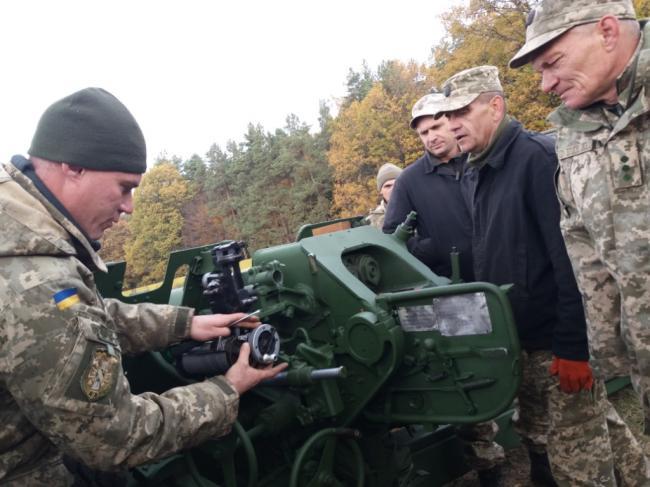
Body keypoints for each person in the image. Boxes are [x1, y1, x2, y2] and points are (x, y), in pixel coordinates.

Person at [0, 87, 287, 486]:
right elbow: (114, 438)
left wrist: (183, 325)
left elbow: (81, 317)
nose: (130, 206)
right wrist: (227, 390)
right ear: (74, 168)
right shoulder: (36, 279)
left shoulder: (20, 239)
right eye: (123, 186)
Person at [437, 65, 649, 486]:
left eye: (462, 112)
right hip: (523, 341)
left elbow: (573, 257)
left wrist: (572, 347)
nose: (452, 124)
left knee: (578, 465)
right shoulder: (475, 170)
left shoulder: (536, 159)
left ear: (495, 107)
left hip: (557, 344)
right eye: (448, 116)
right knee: (591, 430)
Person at [509, 0, 650, 438]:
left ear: (607, 31)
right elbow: (581, 242)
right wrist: (607, 354)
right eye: (539, 73)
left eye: (553, 63)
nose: (546, 84)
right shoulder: (574, 130)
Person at [384, 94, 505, 486]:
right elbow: (391, 242)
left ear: (452, 122)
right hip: (454, 293)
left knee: (530, 366)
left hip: (504, 280)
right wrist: (433, 248)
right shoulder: (411, 181)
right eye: (422, 132)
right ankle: (490, 467)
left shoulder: (482, 160)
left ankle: (538, 448)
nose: (431, 137)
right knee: (470, 378)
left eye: (436, 126)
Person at [366, 162, 402, 229]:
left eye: (397, 184)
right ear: (380, 191)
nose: (393, 189)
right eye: (388, 186)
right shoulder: (373, 220)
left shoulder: (420, 208)